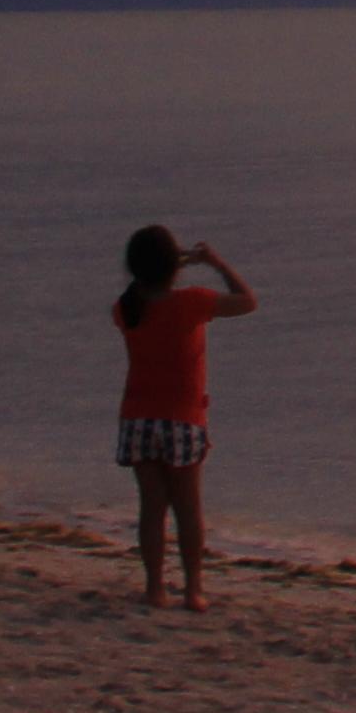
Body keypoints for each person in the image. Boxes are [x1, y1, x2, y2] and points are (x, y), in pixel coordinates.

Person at [111, 224, 257, 610]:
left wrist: (173, 264)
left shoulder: (126, 309)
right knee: (188, 509)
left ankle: (155, 588)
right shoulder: (190, 303)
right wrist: (213, 262)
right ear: (174, 267)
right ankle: (193, 589)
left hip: (139, 418)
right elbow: (246, 300)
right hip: (182, 419)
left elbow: (142, 294)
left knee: (152, 507)